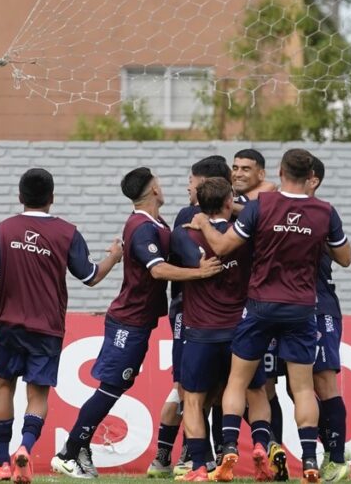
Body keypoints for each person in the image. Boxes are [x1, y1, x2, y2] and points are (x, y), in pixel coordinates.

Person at [185, 149, 351, 484]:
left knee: (238, 381)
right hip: (303, 308)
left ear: (277, 171)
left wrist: (203, 221)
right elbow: (345, 257)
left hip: (261, 305)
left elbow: (222, 247)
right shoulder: (324, 212)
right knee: (303, 388)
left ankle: (230, 446)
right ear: (311, 177)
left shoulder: (262, 207)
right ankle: (309, 460)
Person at [51, 167, 221, 480]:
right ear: (154, 190)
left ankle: (79, 447)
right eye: (161, 182)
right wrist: (200, 273)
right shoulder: (142, 227)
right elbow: (158, 271)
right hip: (128, 321)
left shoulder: (156, 223)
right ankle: (70, 451)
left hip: (139, 321)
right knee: (111, 387)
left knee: (117, 385)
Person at [0, 168, 123, 484]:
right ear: (52, 198)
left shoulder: (4, 229)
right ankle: (25, 447)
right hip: (47, 326)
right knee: (37, 394)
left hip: (8, 323)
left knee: (4, 385)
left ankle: (2, 462)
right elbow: (91, 276)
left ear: (20, 196)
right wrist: (114, 256)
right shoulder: (67, 232)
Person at [170, 177, 265, 482]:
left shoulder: (182, 236)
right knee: (254, 392)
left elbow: (182, 267)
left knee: (195, 401)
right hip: (240, 331)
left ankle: (199, 466)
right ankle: (261, 445)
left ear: (198, 203)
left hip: (200, 334)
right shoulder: (245, 237)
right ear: (229, 203)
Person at [149, 156, 232, 478]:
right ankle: (178, 455)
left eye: (192, 181)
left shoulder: (194, 217)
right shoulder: (229, 222)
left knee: (201, 390)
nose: (187, 186)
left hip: (197, 316)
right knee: (190, 389)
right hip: (194, 315)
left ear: (207, 185)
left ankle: (191, 455)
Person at [231, 148, 286, 448]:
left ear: (261, 174)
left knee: (265, 385)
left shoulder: (267, 200)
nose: (238, 173)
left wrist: (229, 207)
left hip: (260, 306)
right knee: (229, 385)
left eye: (246, 169)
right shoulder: (232, 201)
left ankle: (273, 447)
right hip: (227, 308)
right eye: (235, 167)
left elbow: (270, 192)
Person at [306, 157, 351, 482]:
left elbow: (346, 258)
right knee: (300, 387)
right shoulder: (272, 209)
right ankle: (330, 446)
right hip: (283, 310)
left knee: (324, 380)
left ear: (313, 180)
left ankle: (336, 458)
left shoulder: (323, 212)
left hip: (319, 306)